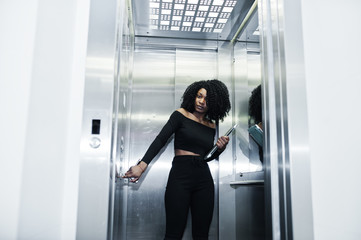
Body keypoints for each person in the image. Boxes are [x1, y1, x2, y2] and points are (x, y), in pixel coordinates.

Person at [123, 79, 231, 240]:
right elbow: (160, 139)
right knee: (174, 234)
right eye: (199, 96)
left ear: (214, 103)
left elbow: (207, 157)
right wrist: (141, 166)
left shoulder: (211, 125)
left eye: (207, 100)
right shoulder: (180, 115)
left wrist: (220, 149)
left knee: (201, 235)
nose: (201, 102)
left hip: (203, 178)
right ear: (193, 96)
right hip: (180, 175)